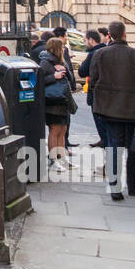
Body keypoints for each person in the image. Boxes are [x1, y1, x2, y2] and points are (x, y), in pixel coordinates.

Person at [87, 21, 135, 201]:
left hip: (108, 109)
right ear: (125, 34)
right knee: (133, 148)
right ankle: (133, 186)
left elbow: (93, 80)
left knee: (114, 146)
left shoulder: (100, 54)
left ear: (109, 34)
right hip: (133, 109)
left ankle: (115, 187)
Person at [39, 37, 77, 173]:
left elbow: (71, 79)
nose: (64, 49)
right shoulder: (45, 62)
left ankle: (62, 158)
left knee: (63, 130)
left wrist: (64, 70)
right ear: (56, 48)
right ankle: (53, 160)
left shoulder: (62, 61)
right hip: (53, 101)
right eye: (62, 47)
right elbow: (39, 81)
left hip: (63, 101)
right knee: (54, 131)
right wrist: (53, 76)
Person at [78, 29, 109, 150]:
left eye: (85, 40)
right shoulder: (107, 50)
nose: (85, 43)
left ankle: (105, 141)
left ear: (91, 40)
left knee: (100, 122)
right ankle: (105, 140)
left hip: (96, 92)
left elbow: (82, 72)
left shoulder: (93, 54)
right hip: (108, 92)